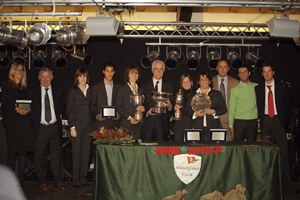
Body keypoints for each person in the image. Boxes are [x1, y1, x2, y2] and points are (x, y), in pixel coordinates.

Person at [255, 63, 292, 187]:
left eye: (269, 71)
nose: (267, 74)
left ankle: (286, 182)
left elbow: (288, 106)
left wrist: (285, 122)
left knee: (283, 152)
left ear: (273, 72)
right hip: (266, 122)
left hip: (278, 121)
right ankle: (267, 182)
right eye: (264, 72)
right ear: (262, 74)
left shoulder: (283, 86)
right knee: (266, 152)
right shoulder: (258, 88)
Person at [28, 67, 66, 190]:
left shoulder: (58, 91)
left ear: (52, 77)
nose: (45, 79)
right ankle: (42, 180)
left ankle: (58, 180)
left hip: (55, 127)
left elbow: (62, 105)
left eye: (47, 76)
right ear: (39, 78)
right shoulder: (32, 91)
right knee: (40, 155)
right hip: (40, 128)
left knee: (56, 155)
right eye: (43, 76)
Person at [1, 61, 34, 188]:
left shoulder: (24, 86)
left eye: (22, 70)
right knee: (12, 153)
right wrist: (17, 109)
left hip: (24, 123)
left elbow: (26, 103)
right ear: (13, 71)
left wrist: (27, 109)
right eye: (18, 70)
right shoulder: (7, 84)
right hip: (13, 123)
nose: (20, 72)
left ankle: (21, 181)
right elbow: (5, 104)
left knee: (23, 152)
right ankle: (9, 183)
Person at [66, 68, 93, 189]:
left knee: (86, 153)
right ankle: (75, 179)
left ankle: (83, 177)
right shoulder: (72, 91)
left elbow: (92, 107)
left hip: (88, 126)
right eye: (80, 76)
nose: (83, 78)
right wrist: (72, 127)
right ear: (77, 77)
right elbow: (69, 110)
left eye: (85, 76)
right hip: (77, 126)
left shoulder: (90, 90)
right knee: (77, 153)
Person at [186, 71, 227, 142]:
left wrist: (213, 111)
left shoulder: (217, 94)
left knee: (213, 150)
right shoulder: (193, 95)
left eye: (206, 79)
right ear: (199, 82)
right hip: (196, 127)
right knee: (197, 150)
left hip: (213, 127)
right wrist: (195, 114)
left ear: (209, 81)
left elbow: (224, 109)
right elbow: (187, 110)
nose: (204, 81)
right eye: (201, 79)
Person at [142, 60, 174, 141]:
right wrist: (146, 112)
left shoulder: (169, 85)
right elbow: (141, 103)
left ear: (164, 70)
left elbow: (173, 105)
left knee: (161, 150)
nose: (159, 71)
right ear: (152, 70)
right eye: (156, 69)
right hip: (148, 123)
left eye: (161, 69)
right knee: (147, 149)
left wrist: (170, 106)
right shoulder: (144, 85)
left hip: (163, 124)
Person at [228, 65, 258, 142]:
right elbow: (231, 109)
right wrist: (230, 125)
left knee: (252, 146)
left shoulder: (256, 87)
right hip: (239, 121)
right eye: (240, 72)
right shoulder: (234, 90)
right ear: (238, 75)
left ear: (249, 73)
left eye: (245, 72)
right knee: (238, 146)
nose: (243, 74)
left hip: (253, 120)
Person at [116, 64, 145, 140]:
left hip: (138, 125)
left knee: (136, 150)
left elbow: (143, 105)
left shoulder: (141, 90)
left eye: (136, 73)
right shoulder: (121, 90)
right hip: (126, 125)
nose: (134, 75)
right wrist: (129, 117)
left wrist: (143, 108)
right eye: (132, 73)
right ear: (127, 75)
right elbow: (118, 107)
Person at [212, 60, 239, 141]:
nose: (222, 69)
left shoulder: (235, 82)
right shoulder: (210, 82)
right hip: (213, 116)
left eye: (225, 67)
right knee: (213, 143)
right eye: (220, 67)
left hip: (229, 117)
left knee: (229, 143)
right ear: (216, 68)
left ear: (228, 69)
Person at [91, 63, 120, 130]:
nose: (109, 73)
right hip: (100, 125)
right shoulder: (96, 87)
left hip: (115, 125)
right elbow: (92, 106)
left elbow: (122, 105)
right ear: (103, 71)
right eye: (107, 71)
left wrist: (119, 115)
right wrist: (97, 115)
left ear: (114, 72)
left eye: (111, 71)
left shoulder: (119, 88)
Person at [173, 73, 193, 142]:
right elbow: (171, 112)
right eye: (183, 82)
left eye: (187, 81)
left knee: (191, 150)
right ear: (181, 84)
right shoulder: (177, 94)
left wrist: (181, 109)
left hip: (192, 125)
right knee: (179, 149)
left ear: (191, 82)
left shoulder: (196, 94)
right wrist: (174, 108)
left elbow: (192, 112)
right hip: (179, 125)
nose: (186, 84)